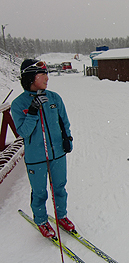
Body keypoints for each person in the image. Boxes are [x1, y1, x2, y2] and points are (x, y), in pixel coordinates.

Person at [11, 59, 75, 238]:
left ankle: (61, 216)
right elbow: (23, 132)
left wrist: (67, 138)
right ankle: (41, 220)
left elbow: (64, 122)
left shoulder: (54, 98)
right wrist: (32, 111)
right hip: (35, 156)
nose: (47, 78)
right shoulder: (18, 104)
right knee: (39, 192)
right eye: (43, 74)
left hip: (57, 154)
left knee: (60, 187)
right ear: (31, 77)